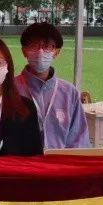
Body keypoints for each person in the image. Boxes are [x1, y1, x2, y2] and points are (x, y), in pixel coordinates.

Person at [14, 22, 89, 150]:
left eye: (47, 46)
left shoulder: (69, 92)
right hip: (21, 161)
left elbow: (79, 141)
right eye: (34, 45)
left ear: (56, 52)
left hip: (61, 161)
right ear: (24, 51)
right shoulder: (9, 89)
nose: (40, 52)